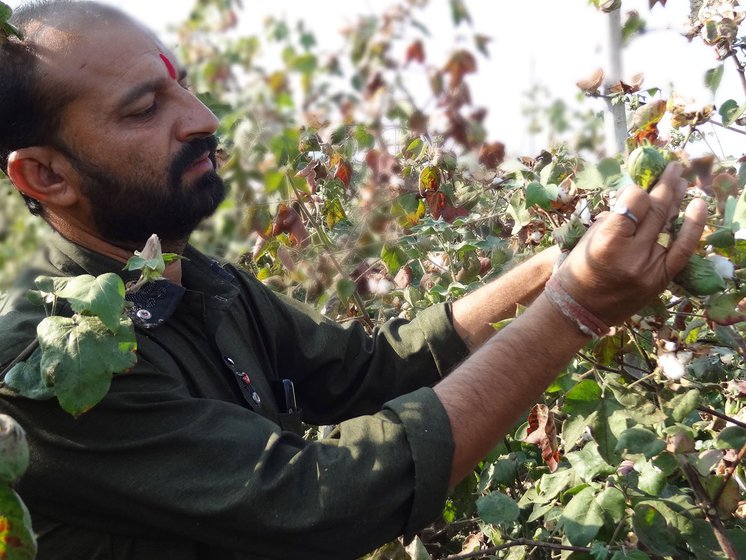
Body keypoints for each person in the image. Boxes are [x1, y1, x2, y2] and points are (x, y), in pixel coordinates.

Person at [0, 1, 706, 559]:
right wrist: (573, 311)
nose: (204, 120)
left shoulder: (203, 286)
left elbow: (369, 372)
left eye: (181, 85)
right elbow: (317, 500)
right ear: (46, 175)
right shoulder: (53, 361)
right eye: (144, 108)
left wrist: (549, 269)